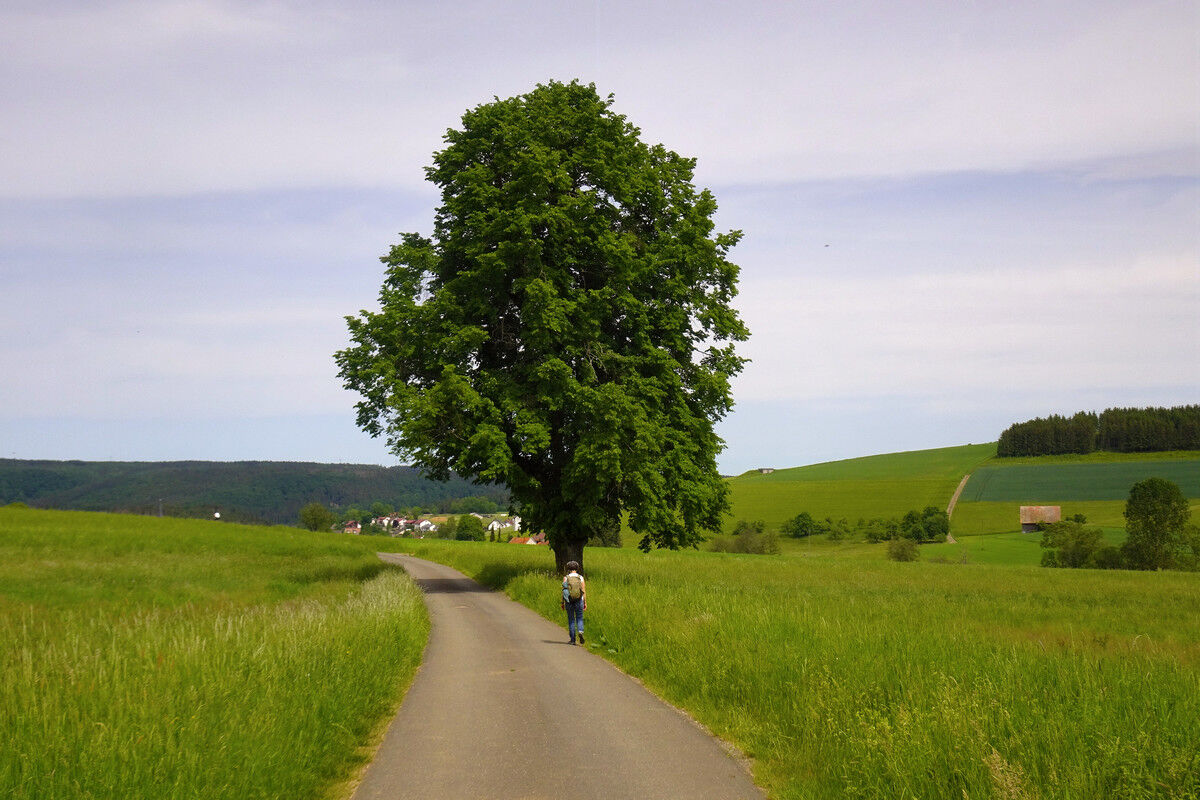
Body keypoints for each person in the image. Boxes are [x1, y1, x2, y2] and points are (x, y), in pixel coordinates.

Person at [561, 560, 586, 645]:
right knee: (579, 617)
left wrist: (562, 602)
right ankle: (580, 631)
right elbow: (583, 591)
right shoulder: (580, 577)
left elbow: (564, 591)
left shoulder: (566, 578)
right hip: (579, 600)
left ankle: (572, 640)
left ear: (568, 568)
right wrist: (585, 602)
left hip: (569, 600)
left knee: (571, 619)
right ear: (577, 568)